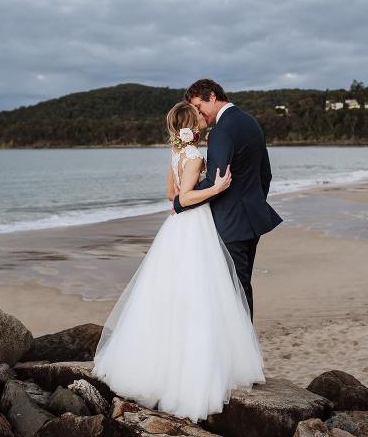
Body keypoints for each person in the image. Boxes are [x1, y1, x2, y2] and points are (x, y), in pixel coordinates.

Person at [91, 101, 266, 424]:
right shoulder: (196, 156)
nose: (202, 119)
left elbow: (170, 194)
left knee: (169, 295)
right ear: (193, 125)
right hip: (194, 227)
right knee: (198, 294)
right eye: (198, 116)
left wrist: (185, 197)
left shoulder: (175, 154)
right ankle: (192, 372)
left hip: (175, 230)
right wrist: (215, 188)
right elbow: (183, 199)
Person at [174, 79, 283, 321]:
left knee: (231, 291)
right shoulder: (250, 122)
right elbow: (265, 174)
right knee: (242, 287)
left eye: (199, 106)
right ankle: (244, 350)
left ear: (212, 96)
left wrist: (181, 200)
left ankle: (241, 353)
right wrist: (252, 203)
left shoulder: (221, 131)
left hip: (229, 224)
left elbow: (217, 181)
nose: (199, 113)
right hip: (251, 220)